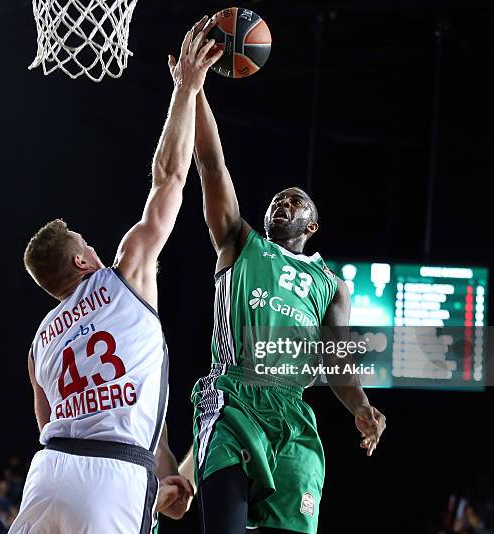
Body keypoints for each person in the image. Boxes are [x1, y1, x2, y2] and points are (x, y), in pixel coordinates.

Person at [9, 19, 223, 534]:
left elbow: (51, 423)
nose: (94, 246)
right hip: (114, 474)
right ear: (83, 263)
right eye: (86, 243)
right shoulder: (124, 275)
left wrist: (159, 473)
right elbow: (169, 178)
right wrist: (187, 89)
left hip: (47, 473)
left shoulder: (41, 342)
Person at [177, 17, 388, 534]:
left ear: (311, 225)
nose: (282, 202)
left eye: (295, 201)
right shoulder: (239, 243)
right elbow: (210, 164)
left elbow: (338, 357)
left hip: (294, 415)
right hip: (232, 400)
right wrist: (194, 88)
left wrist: (361, 406)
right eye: (277, 198)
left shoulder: (330, 285)